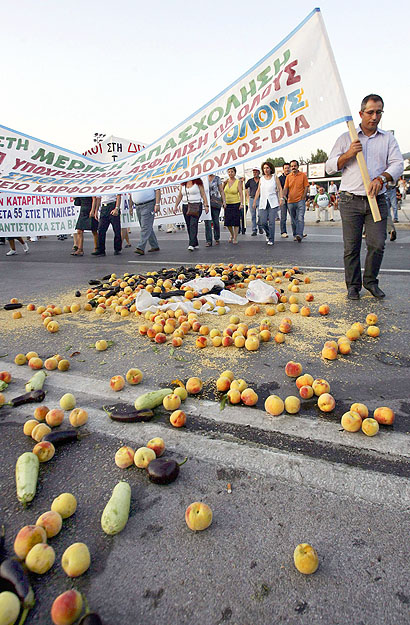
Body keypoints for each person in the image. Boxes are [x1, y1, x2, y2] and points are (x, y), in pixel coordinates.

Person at [326, 94, 403, 299]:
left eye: (379, 112)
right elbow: (329, 167)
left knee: (377, 244)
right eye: (370, 112)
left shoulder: (387, 139)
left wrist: (382, 178)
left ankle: (370, 281)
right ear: (361, 113)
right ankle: (353, 286)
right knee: (351, 246)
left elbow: (397, 164)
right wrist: (348, 154)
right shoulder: (347, 138)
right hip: (350, 200)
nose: (374, 116)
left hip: (377, 200)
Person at [173, 179, 209, 250]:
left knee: (193, 224)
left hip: (196, 205)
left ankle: (191, 244)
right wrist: (176, 206)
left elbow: (203, 194)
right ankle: (195, 242)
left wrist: (206, 205)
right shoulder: (183, 184)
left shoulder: (198, 182)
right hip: (186, 206)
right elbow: (180, 196)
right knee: (189, 225)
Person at [253, 162, 283, 245]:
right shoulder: (261, 179)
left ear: (271, 169)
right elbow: (258, 190)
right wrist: (255, 201)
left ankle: (271, 239)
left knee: (272, 222)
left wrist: (281, 198)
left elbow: (280, 188)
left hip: (273, 202)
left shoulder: (274, 177)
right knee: (262, 222)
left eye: (267, 168)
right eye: (264, 168)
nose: (266, 170)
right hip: (263, 202)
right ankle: (268, 233)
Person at [283, 160, 309, 242]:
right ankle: (295, 234)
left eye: (295, 166)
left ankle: (299, 235)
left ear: (298, 166)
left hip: (300, 201)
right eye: (292, 166)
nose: (293, 167)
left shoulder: (303, 176)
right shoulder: (288, 177)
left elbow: (306, 187)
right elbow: (286, 188)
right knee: (293, 220)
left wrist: (303, 197)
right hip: (290, 201)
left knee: (300, 218)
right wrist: (284, 196)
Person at [132, 188, 161, 255]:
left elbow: (157, 190)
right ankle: (154, 245)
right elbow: (131, 193)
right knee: (146, 226)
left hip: (148, 204)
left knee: (145, 227)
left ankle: (141, 247)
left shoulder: (150, 178)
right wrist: (131, 206)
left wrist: (157, 204)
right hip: (138, 205)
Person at [223, 167, 244, 245]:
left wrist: (241, 203)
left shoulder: (238, 182)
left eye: (232, 172)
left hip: (236, 203)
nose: (230, 173)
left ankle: (235, 237)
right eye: (229, 172)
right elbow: (221, 191)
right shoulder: (226, 181)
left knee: (235, 222)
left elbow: (241, 193)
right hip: (227, 203)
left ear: (235, 173)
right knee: (228, 222)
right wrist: (224, 184)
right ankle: (232, 234)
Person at [205, 173, 226, 246]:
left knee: (215, 220)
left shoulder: (217, 178)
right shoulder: (204, 178)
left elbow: (221, 190)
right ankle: (208, 240)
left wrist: (224, 201)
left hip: (216, 202)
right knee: (207, 222)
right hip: (206, 202)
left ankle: (217, 237)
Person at [245, 168, 261, 236]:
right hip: (252, 198)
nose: (254, 173)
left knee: (261, 215)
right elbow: (245, 187)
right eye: (254, 172)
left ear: (259, 173)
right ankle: (254, 230)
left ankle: (260, 225)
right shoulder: (250, 181)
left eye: (256, 172)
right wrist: (247, 197)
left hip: (260, 198)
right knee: (253, 215)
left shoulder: (261, 180)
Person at [278, 163, 290, 237]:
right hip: (284, 199)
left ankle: (298, 232)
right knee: (283, 217)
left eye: (288, 168)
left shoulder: (292, 177)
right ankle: (283, 232)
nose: (287, 169)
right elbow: (279, 189)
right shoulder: (280, 178)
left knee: (295, 217)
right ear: (283, 169)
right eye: (285, 168)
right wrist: (283, 197)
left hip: (292, 199)